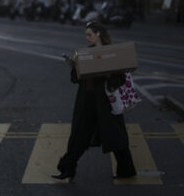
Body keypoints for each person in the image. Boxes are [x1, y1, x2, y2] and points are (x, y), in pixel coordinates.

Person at [54, 21, 136, 182]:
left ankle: (127, 170)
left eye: (90, 34)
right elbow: (76, 79)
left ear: (98, 34)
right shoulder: (85, 54)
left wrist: (107, 77)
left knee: (115, 136)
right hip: (87, 100)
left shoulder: (111, 53)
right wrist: (73, 66)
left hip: (105, 102)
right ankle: (67, 168)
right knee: (79, 135)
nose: (87, 38)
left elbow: (120, 78)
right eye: (86, 35)